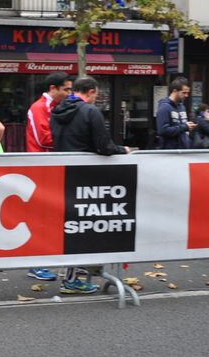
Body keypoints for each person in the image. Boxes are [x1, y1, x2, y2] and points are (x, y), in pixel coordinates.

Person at [50, 75, 130, 295]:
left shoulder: (56, 111)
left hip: (62, 172)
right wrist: (123, 150)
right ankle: (72, 278)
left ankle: (73, 271)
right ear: (92, 92)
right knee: (82, 225)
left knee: (71, 224)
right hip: (87, 176)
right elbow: (103, 146)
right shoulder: (90, 112)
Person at [25, 72, 73, 281]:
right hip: (41, 169)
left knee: (54, 216)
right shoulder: (38, 108)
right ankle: (35, 264)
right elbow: (42, 139)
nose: (69, 94)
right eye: (66, 89)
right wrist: (73, 139)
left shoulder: (57, 107)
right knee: (40, 217)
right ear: (53, 88)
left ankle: (49, 260)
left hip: (55, 167)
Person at [155, 77, 195, 149]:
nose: (186, 95)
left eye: (187, 93)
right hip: (170, 152)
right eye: (184, 92)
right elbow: (163, 131)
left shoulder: (182, 106)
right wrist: (185, 127)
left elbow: (182, 127)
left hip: (183, 150)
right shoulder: (164, 107)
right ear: (175, 91)